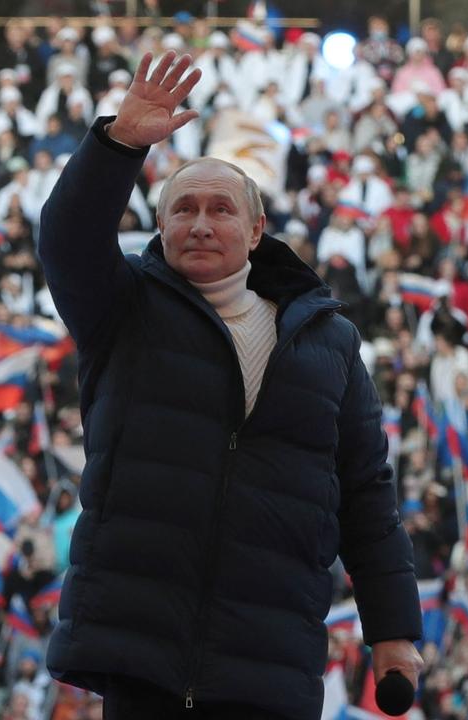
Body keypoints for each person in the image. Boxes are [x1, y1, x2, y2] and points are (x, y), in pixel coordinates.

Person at [36, 50, 425, 719]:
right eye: (183, 209)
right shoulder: (122, 308)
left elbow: (366, 494)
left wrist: (392, 630)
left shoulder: (328, 343)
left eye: (221, 209)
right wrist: (117, 144)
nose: (201, 223)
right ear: (160, 226)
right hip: (143, 657)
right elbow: (66, 240)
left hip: (269, 663)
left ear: (256, 229)